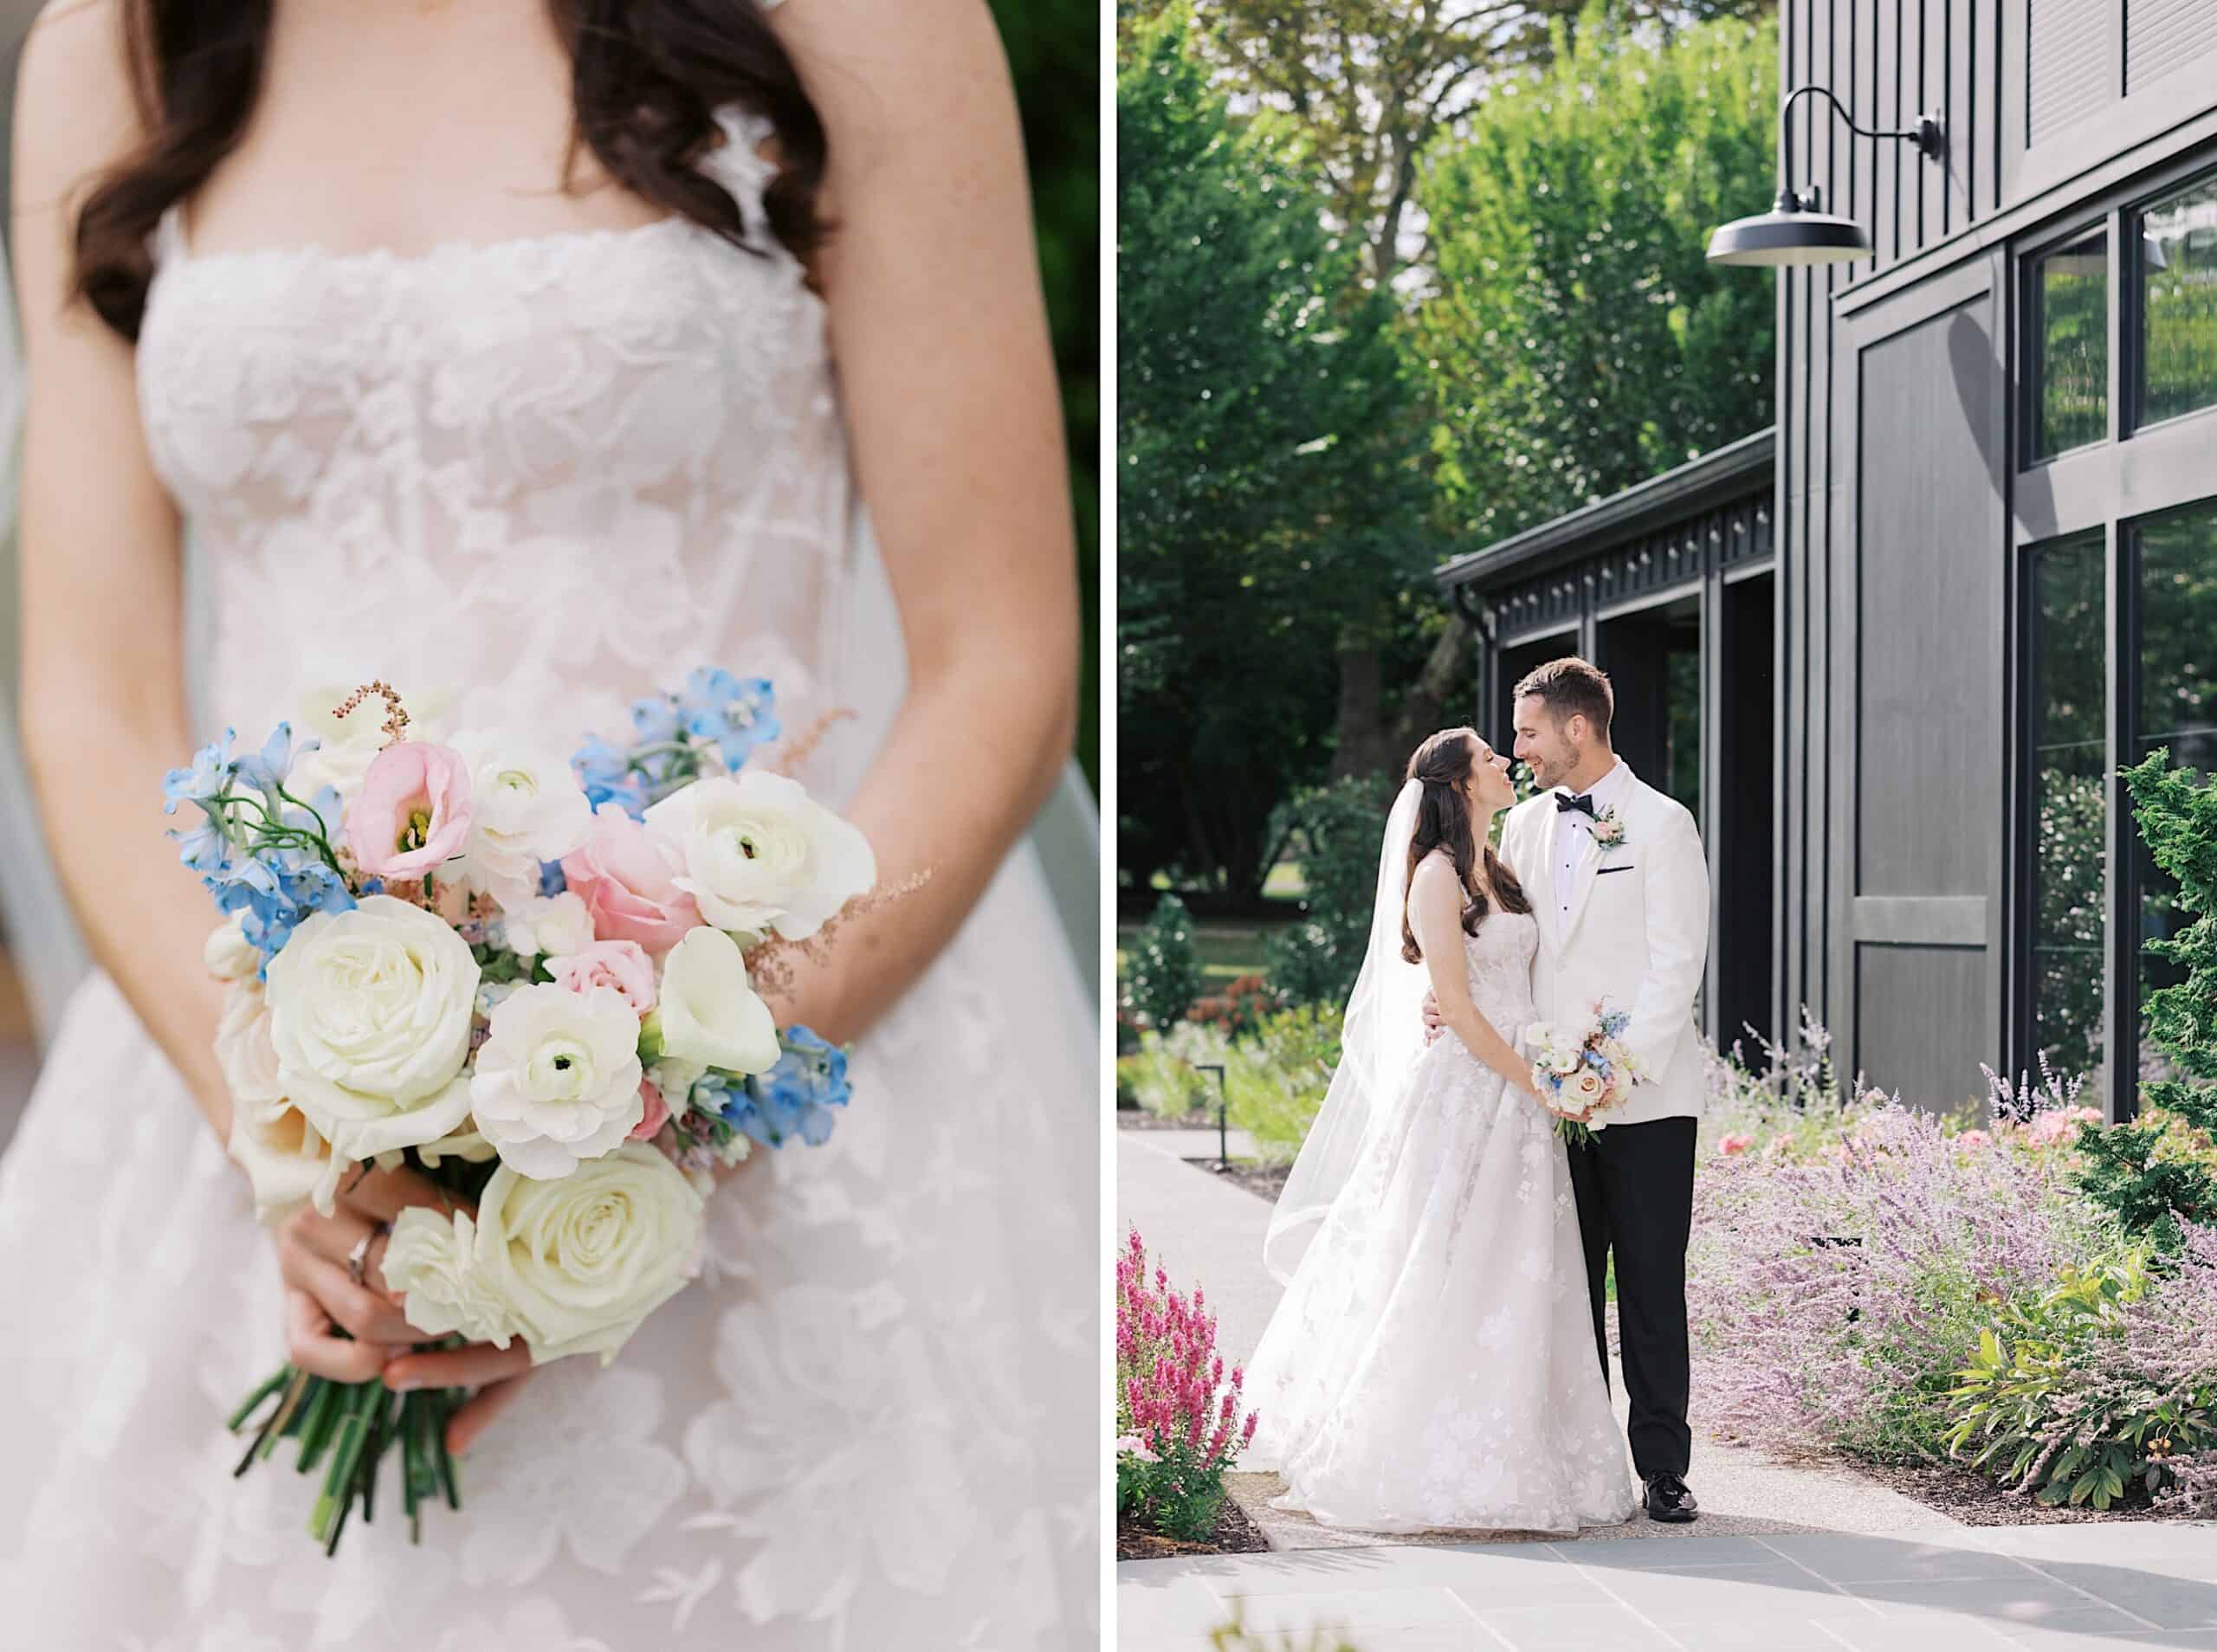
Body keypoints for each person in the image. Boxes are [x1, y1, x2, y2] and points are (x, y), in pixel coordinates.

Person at [0, 0, 1095, 1642]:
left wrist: (650, 1112)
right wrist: (290, 1147)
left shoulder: (866, 21)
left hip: (777, 1056)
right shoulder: (118, 45)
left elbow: (1000, 656)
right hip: (250, 1081)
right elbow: (90, 701)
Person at [1242, 726, 1638, 1536]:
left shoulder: (1498, 869)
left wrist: (1557, 1064)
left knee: (1519, 1270)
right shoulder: (1435, 875)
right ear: (1459, 786)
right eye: (1492, 758)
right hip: (1471, 1095)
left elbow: (1517, 979)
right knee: (1445, 1259)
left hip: (1523, 1094)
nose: (1505, 763)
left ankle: (1525, 1443)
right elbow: (1453, 1006)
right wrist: (1538, 1080)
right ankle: (1410, 1444)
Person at [1430, 656, 1710, 1524]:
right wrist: (1446, 1003)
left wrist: (1612, 1068)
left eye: (1527, 732)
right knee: (1563, 1281)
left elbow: (1676, 964)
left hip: (1647, 1096)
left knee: (1652, 1284)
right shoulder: (1521, 829)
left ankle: (1663, 1467)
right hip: (1543, 1101)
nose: (1519, 751)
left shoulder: (1662, 825)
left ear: (1576, 729)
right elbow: (1490, 935)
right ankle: (1579, 1463)